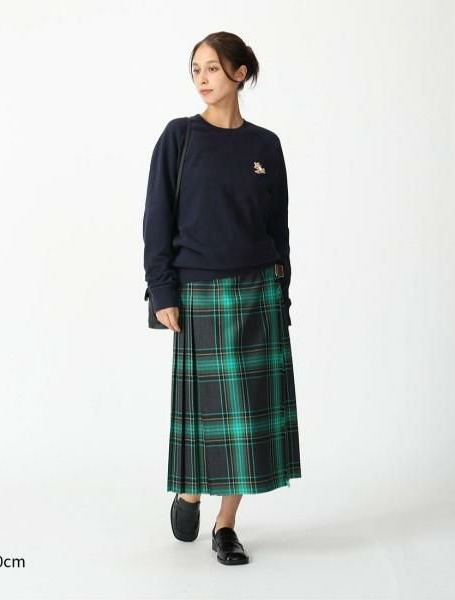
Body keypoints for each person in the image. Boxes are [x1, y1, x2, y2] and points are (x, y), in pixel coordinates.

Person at [142, 31, 302, 566]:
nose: (202, 78)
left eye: (212, 68)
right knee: (209, 414)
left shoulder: (266, 145)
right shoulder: (180, 136)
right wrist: (162, 290)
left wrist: (281, 295)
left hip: (258, 291)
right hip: (200, 292)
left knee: (249, 416)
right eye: (196, 69)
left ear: (240, 73)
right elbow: (156, 218)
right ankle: (190, 492)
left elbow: (278, 229)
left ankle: (226, 524)